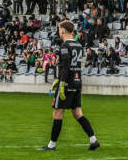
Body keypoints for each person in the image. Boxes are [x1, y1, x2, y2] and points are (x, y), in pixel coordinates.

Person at [38, 20, 99, 151]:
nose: (59, 32)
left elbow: (65, 67)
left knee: (57, 113)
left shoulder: (65, 46)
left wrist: (61, 83)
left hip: (66, 84)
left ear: (63, 31)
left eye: (59, 29)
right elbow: (76, 66)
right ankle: (93, 140)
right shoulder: (78, 45)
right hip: (77, 82)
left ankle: (51, 145)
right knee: (78, 113)